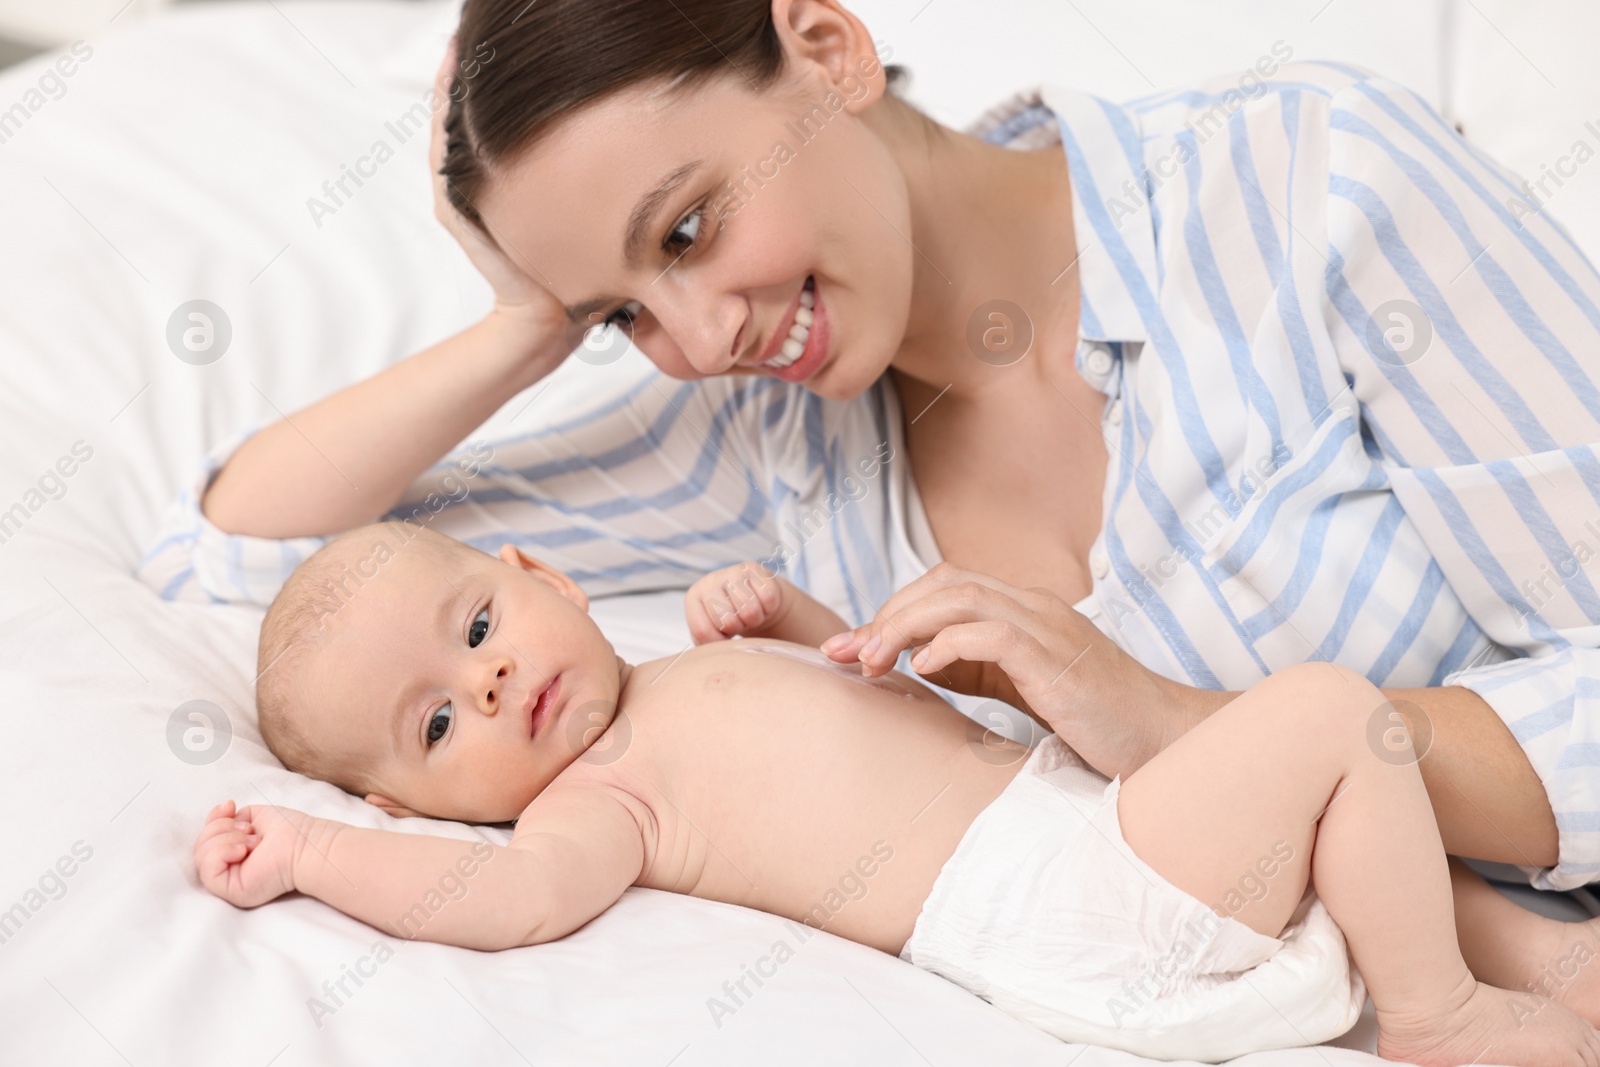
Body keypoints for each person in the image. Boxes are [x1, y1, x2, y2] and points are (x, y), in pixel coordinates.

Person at [145, 0, 1600, 896]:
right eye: (624, 313)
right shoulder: (772, 441)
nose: (700, 333)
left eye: (691, 228)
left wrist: (1159, 719)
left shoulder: (1312, 186)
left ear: (827, 50)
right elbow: (259, 553)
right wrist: (535, 312)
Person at [194, 522, 1600, 1064]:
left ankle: (1549, 975)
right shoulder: (597, 803)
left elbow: (879, 704)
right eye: (437, 724)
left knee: (1421, 876)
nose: (490, 688)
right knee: (1328, 717)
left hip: (1074, 821)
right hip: (1050, 897)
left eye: (481, 631)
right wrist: (314, 851)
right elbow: (504, 903)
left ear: (542, 581)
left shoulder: (696, 668)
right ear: (425, 805)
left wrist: (805, 619)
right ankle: (1436, 1023)